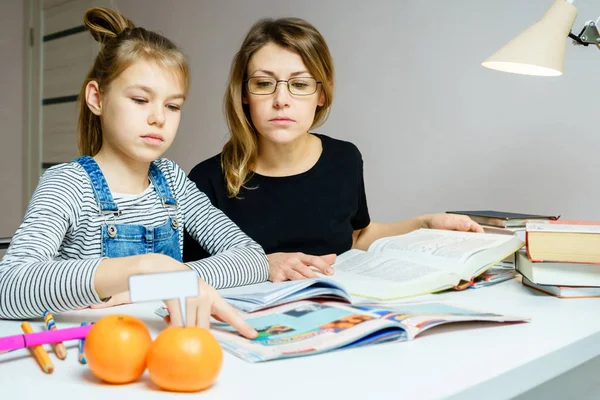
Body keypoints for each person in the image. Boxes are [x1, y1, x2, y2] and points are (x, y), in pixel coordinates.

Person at [0, 7, 268, 338]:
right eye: (141, 99)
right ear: (97, 99)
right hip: (94, 357)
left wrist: (155, 283)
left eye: (172, 106)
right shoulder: (67, 185)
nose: (159, 118)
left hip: (166, 344)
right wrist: (143, 268)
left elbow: (253, 259)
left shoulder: (172, 180)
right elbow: (10, 286)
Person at [183, 17, 482, 282]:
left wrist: (425, 223)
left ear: (322, 94)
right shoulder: (207, 179)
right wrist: (263, 266)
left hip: (341, 314)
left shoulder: (344, 159)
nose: (281, 99)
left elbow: (356, 236)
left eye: (300, 85)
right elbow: (189, 275)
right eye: (264, 83)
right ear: (244, 94)